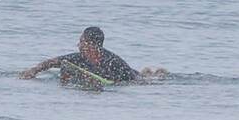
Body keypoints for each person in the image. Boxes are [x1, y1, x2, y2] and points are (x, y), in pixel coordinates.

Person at [19, 27, 166, 85]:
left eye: (80, 42)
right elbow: (51, 62)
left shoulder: (112, 61)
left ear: (90, 45)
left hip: (131, 76)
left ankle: (154, 73)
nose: (78, 45)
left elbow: (130, 81)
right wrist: (33, 70)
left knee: (147, 77)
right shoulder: (79, 57)